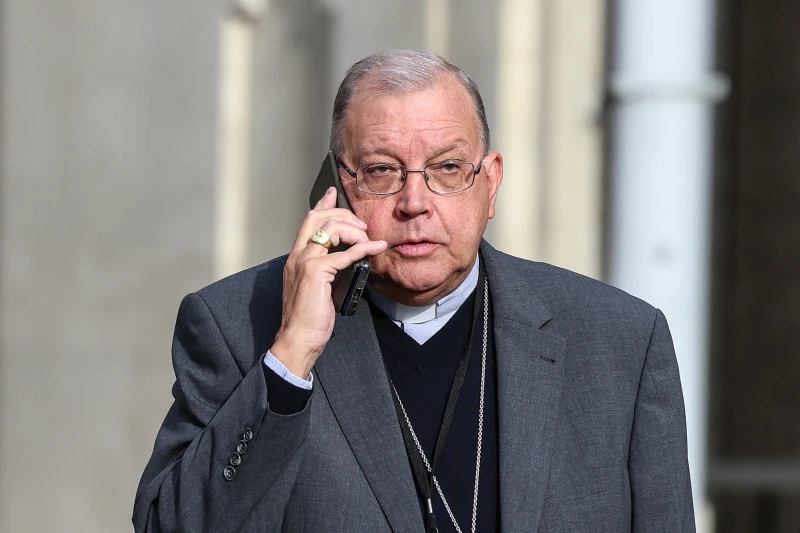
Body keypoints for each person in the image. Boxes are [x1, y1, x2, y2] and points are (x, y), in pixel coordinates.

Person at [133, 49, 695, 533]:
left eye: (448, 167)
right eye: (381, 171)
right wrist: (291, 357)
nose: (415, 202)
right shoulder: (236, 324)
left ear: (490, 183)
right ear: (336, 187)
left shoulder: (620, 342)